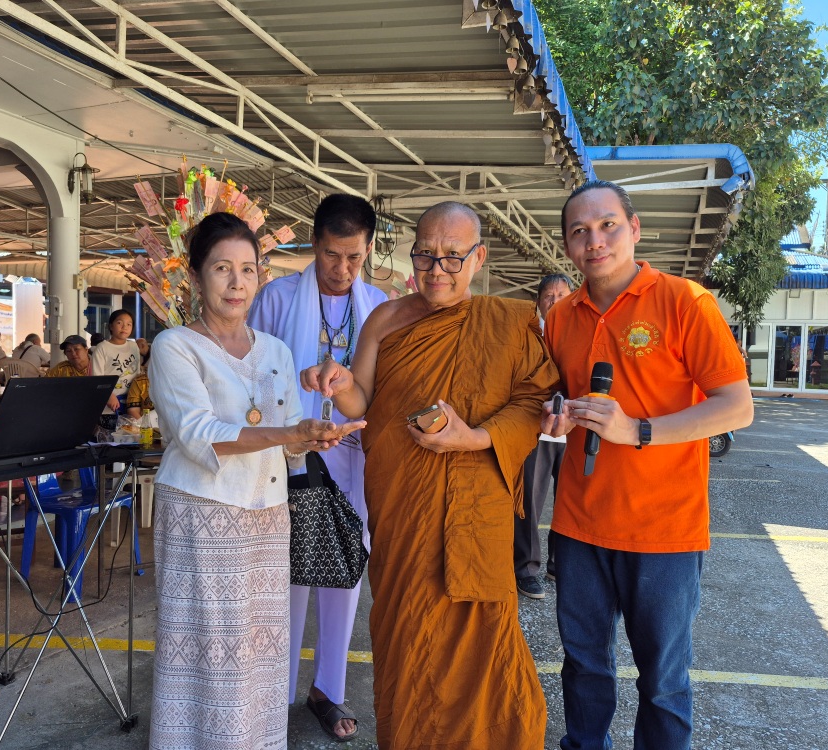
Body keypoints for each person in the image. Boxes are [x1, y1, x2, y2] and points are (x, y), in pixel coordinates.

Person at [302, 201, 558, 749]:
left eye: (452, 257)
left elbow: (533, 403)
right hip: (402, 513)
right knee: (407, 636)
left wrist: (473, 437)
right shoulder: (385, 319)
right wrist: (338, 383)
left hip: (477, 516)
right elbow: (361, 399)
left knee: (485, 647)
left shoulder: (507, 323)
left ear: (479, 258)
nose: (436, 269)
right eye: (425, 255)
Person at [541, 180, 754, 750]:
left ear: (634, 229)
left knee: (662, 682)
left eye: (607, 225)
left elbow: (736, 407)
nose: (595, 240)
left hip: (665, 529)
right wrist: (557, 414)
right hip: (580, 524)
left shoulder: (686, 302)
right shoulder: (561, 318)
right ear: (567, 245)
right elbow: (555, 397)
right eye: (579, 231)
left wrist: (637, 430)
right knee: (583, 667)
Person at [147, 212, 363, 750]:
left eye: (248, 269)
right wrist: (289, 432)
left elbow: (287, 441)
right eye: (222, 268)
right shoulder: (175, 346)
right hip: (202, 515)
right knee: (208, 649)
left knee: (260, 651)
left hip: (268, 517)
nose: (237, 282)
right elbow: (197, 434)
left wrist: (314, 438)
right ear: (196, 277)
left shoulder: (275, 350)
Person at [247, 193, 386, 741]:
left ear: (368, 249)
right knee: (285, 575)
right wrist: (294, 412)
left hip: (351, 458)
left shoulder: (378, 306)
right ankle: (274, 689)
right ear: (314, 243)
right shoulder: (276, 298)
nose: (342, 269)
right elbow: (251, 378)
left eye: (354, 257)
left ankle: (328, 689)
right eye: (331, 254)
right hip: (288, 457)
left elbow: (382, 389)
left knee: (343, 571)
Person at [514, 272, 575, 599]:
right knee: (529, 502)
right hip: (535, 430)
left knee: (569, 501)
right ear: (538, 301)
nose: (555, 301)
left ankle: (557, 562)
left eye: (561, 295)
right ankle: (525, 568)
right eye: (549, 296)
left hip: (573, 430)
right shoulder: (527, 335)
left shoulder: (581, 333)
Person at [90, 310, 148, 429]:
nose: (124, 327)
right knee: (113, 436)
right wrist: (108, 396)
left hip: (133, 403)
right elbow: (97, 377)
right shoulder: (102, 348)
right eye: (119, 323)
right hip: (110, 406)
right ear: (111, 326)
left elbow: (137, 374)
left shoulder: (133, 346)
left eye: (129, 324)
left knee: (132, 435)